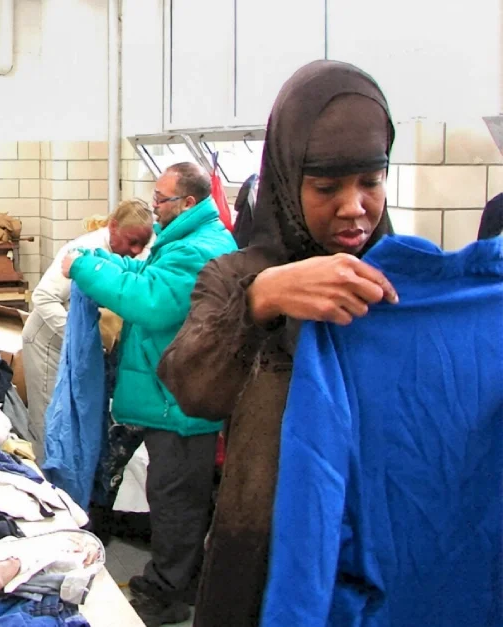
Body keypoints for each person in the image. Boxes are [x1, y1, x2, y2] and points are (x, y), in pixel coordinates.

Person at [159, 60, 399, 627]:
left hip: (383, 541)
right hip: (262, 542)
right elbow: (191, 388)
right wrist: (260, 300)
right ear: (288, 181)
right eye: (326, 187)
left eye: (371, 181)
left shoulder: (401, 281)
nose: (354, 206)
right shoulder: (234, 273)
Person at [60, 163, 237, 626]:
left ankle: (166, 593)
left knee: (176, 501)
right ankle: (179, 580)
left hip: (179, 401)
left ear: (188, 203)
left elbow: (151, 302)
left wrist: (84, 268)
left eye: (161, 199)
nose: (155, 207)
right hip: (173, 394)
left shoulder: (199, 249)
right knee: (173, 496)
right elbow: (146, 276)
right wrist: (105, 262)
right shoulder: (186, 241)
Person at [20, 198, 154, 459]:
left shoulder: (141, 253)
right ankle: (47, 486)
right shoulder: (84, 249)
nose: (136, 250)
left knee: (82, 418)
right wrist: (81, 339)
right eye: (131, 241)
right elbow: (43, 297)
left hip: (86, 346)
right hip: (48, 340)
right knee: (52, 419)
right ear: (113, 227)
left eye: (143, 242)